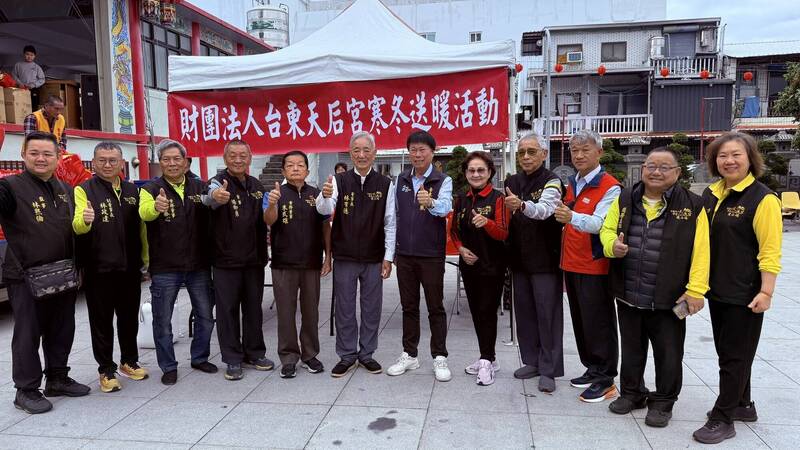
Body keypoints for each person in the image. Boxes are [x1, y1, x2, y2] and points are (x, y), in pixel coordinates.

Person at [600, 147, 709, 428]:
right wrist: (612, 246)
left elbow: (702, 251)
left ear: (677, 173)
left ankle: (663, 402)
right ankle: (633, 393)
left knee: (669, 352)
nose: (656, 172)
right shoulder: (626, 198)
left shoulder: (693, 205)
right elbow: (607, 229)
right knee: (632, 348)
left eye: (664, 167)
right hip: (628, 292)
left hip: (671, 297)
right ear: (643, 169)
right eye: (651, 166)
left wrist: (696, 289)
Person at [693, 132, 782, 444]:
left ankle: (723, 417)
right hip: (717, 288)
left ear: (750, 159)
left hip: (745, 292)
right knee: (730, 353)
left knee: (734, 356)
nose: (728, 161)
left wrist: (766, 291)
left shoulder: (763, 199)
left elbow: (770, 251)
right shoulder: (712, 192)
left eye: (736, 155)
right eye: (722, 156)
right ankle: (743, 404)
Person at [0, 131, 90, 414]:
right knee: (29, 333)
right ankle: (25, 390)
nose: (41, 159)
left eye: (47, 154)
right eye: (35, 153)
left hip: (63, 273)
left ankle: (57, 377)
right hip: (27, 276)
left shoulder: (64, 188)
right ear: (24, 155)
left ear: (56, 158)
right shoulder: (10, 188)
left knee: (62, 329)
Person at [316, 131, 396, 378]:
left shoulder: (385, 184)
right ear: (350, 153)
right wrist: (325, 195)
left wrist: (388, 256)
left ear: (374, 153)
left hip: (373, 256)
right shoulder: (339, 181)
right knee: (345, 308)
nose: (361, 155)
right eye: (356, 150)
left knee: (372, 308)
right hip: (346, 256)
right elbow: (325, 210)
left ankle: (367, 354)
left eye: (366, 150)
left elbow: (390, 222)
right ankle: (347, 355)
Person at [73, 142, 149, 393]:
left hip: (128, 268)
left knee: (128, 318)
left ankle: (129, 361)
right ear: (93, 162)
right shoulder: (83, 190)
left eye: (113, 160)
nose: (107, 164)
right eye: (102, 160)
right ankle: (106, 369)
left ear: (121, 163)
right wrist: (84, 221)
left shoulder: (132, 190)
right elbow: (76, 225)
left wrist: (145, 261)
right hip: (98, 269)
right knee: (101, 321)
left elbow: (142, 229)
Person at [139, 139, 216, 385]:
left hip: (199, 265)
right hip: (165, 267)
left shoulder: (200, 186)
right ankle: (168, 366)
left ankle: (199, 357)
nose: (172, 164)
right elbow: (144, 212)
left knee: (205, 314)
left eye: (176, 159)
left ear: (186, 162)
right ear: (160, 163)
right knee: (163, 320)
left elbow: (213, 204)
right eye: (166, 160)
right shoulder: (150, 189)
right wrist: (156, 207)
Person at [554, 129, 621, 403]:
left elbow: (600, 224)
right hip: (572, 263)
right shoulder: (574, 183)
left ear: (599, 152)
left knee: (600, 322)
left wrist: (571, 216)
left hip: (595, 265)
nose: (579, 155)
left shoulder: (610, 186)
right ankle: (592, 368)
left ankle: (606, 379)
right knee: (582, 322)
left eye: (585, 150)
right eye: (574, 150)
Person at [203, 140, 273, 381]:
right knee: (227, 311)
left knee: (254, 309)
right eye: (233, 155)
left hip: (254, 260)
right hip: (225, 261)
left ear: (250, 158)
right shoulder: (217, 182)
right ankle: (232, 358)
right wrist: (217, 196)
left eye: (243, 155)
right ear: (225, 158)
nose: (238, 159)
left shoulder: (256, 185)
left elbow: (267, 216)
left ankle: (254, 353)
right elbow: (208, 197)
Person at [387, 131, 453, 382]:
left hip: (431, 255)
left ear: (432, 152)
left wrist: (431, 201)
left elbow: (446, 208)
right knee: (408, 307)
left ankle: (439, 356)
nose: (417, 154)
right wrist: (391, 253)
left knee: (436, 307)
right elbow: (393, 217)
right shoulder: (400, 180)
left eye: (422, 150)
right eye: (413, 150)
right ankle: (410, 354)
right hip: (405, 255)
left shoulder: (442, 180)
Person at [504, 133, 564, 393]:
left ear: (543, 154)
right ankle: (532, 361)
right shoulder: (512, 181)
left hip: (545, 260)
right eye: (522, 153)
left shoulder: (552, 180)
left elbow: (546, 210)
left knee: (547, 316)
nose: (526, 157)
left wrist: (522, 206)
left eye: (531, 151)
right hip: (519, 259)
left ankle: (549, 369)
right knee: (525, 314)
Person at [265, 150, 332, 379]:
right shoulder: (276, 194)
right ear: (283, 171)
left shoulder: (317, 194)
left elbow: (325, 227)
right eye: (290, 165)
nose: (295, 168)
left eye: (300, 165)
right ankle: (288, 357)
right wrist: (272, 204)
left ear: (307, 170)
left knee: (311, 311)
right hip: (283, 263)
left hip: (312, 262)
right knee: (285, 312)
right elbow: (269, 221)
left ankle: (310, 355)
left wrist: (328, 256)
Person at [450, 151, 510, 386]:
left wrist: (488, 223)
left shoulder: (498, 199)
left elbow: (504, 232)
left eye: (480, 170)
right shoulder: (461, 199)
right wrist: (461, 249)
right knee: (476, 312)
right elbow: (454, 231)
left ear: (490, 173)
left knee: (487, 312)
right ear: (466, 173)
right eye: (471, 170)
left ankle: (486, 360)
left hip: (492, 266)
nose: (476, 174)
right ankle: (488, 357)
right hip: (469, 265)